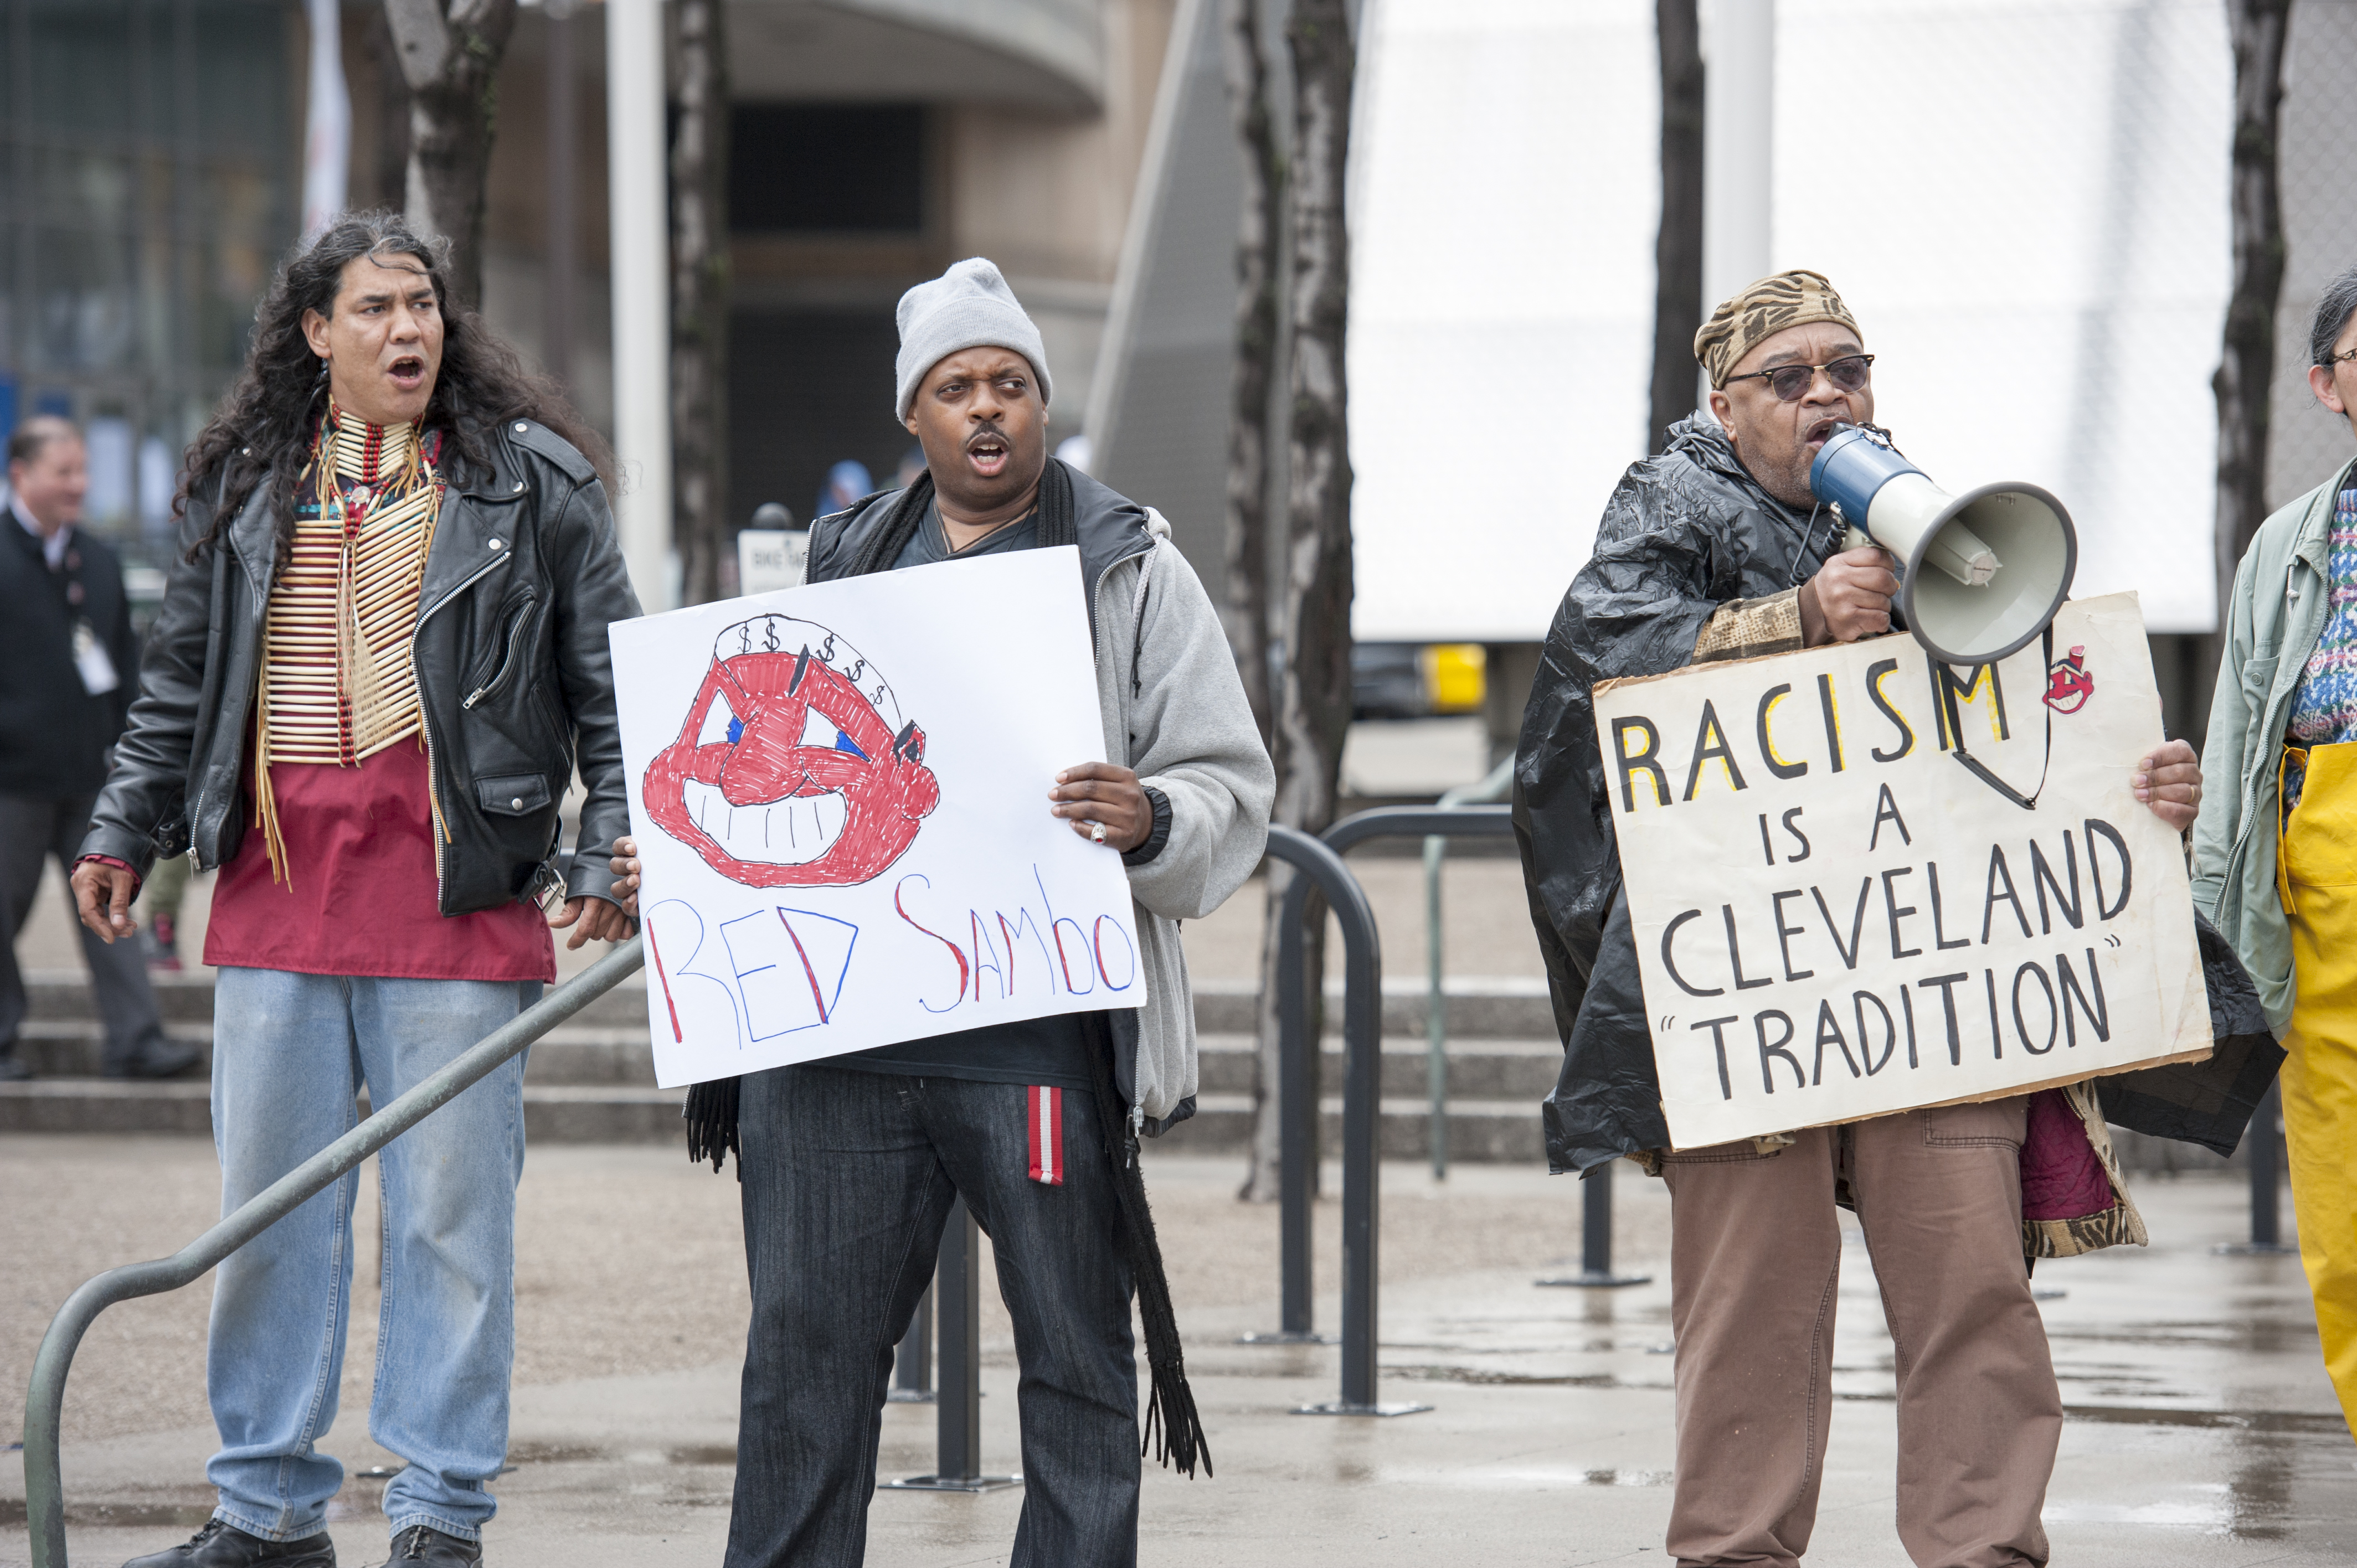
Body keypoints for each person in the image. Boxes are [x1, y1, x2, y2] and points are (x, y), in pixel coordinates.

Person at [1513, 269, 2262, 1567]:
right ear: (1723, 402)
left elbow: (2041, 715)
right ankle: (1735, 1545)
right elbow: (1603, 657)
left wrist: (2142, 779)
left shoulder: (1929, 518)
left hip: (1928, 988)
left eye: (1847, 370)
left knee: (1972, 1281)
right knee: (1754, 1301)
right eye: (1789, 378)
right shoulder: (1667, 506)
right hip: (1754, 993)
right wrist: (1792, 620)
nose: (1826, 395)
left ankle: (1984, 1546)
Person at [611, 256, 1273, 1567]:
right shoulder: (833, 566)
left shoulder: (1133, 568)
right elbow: (752, 777)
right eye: (958, 386)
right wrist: (684, 863)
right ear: (912, 414)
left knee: (1080, 1363)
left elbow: (1230, 786)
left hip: (1042, 1041)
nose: (989, 410)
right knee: (803, 1367)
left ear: (1042, 402)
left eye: (1012, 384)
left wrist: (1152, 819)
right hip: (836, 1042)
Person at [73, 212, 640, 1568]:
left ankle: (440, 1511)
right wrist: (120, 830)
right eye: (376, 307)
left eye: (424, 304)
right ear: (317, 332)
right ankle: (267, 1509)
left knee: (452, 1230)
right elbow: (174, 691)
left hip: (459, 894)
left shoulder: (532, 482)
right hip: (275, 896)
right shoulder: (245, 487)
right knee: (269, 1217)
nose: (408, 329)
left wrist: (617, 837)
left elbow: (614, 690)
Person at [2195, 260, 2357, 1440]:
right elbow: (2235, 750)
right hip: (2322, 886)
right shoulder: (2287, 548)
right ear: (2323, 385)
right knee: (2346, 1208)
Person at [0, 416, 197, 1081]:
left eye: (83, 471)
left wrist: (127, 752)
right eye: (65, 472)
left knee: (111, 903)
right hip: (12, 783)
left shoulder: (98, 561)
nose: (79, 486)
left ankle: (136, 1039)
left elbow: (125, 667)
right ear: (20, 475)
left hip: (90, 777)